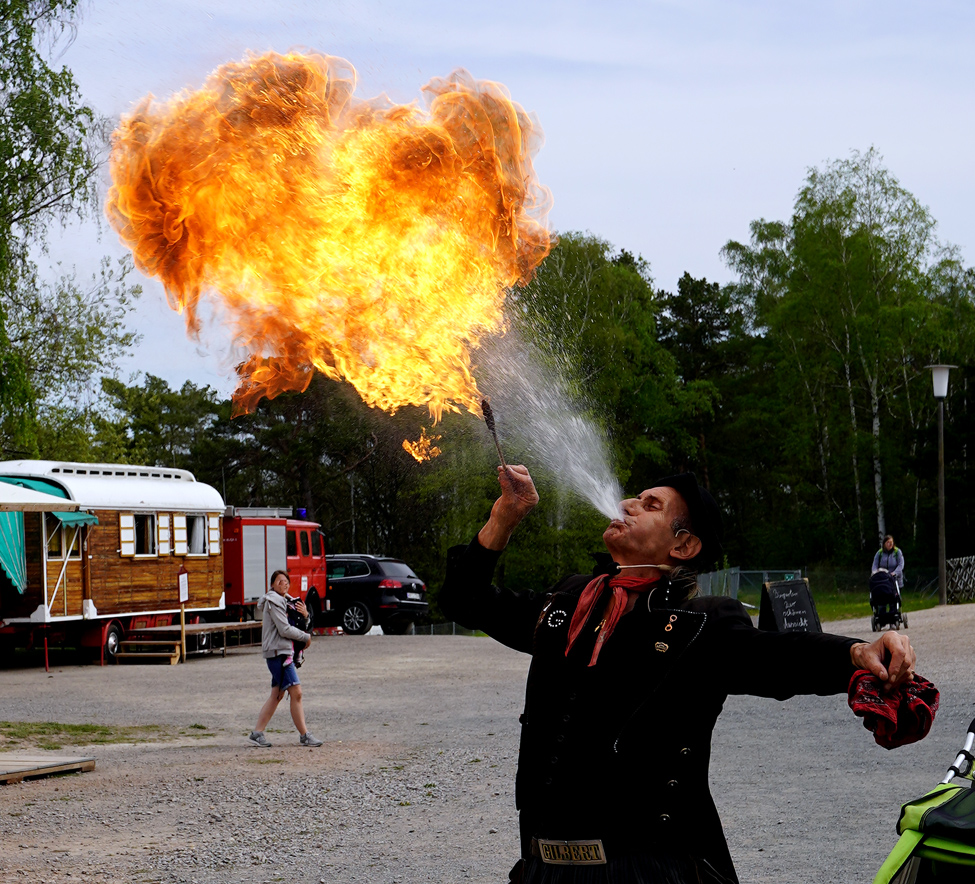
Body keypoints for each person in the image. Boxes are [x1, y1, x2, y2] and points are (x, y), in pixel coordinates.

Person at [440, 466, 918, 884]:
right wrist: (506, 514)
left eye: (650, 505)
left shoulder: (699, 622)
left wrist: (857, 652)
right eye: (635, 498)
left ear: (683, 544)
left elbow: (775, 656)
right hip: (542, 865)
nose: (627, 504)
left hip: (646, 868)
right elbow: (465, 600)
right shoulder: (569, 601)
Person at [248, 569, 324, 748]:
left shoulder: (288, 602)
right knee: (296, 693)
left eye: (286, 581)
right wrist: (305, 638)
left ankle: (257, 733)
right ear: (272, 584)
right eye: (280, 581)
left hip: (281, 652)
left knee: (277, 694)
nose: (284, 583)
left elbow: (299, 624)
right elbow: (284, 629)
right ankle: (305, 735)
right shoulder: (273, 602)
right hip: (278, 654)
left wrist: (305, 615)